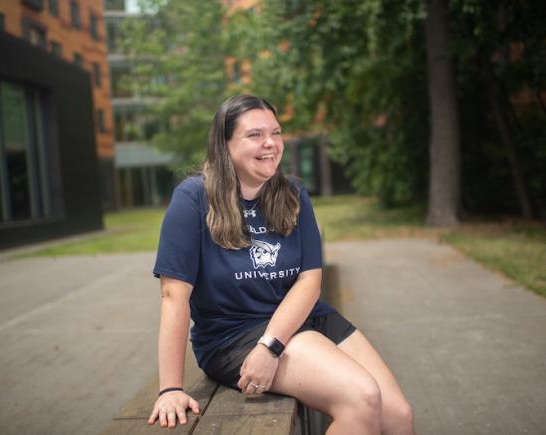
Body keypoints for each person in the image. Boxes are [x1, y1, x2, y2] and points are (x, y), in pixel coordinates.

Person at [147, 95, 415, 435]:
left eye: (276, 132)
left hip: (301, 317)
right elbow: (174, 296)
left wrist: (272, 345)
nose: (271, 144)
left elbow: (309, 281)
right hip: (236, 333)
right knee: (360, 398)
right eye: (255, 135)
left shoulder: (292, 192)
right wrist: (170, 389)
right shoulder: (194, 198)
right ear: (224, 144)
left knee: (398, 416)